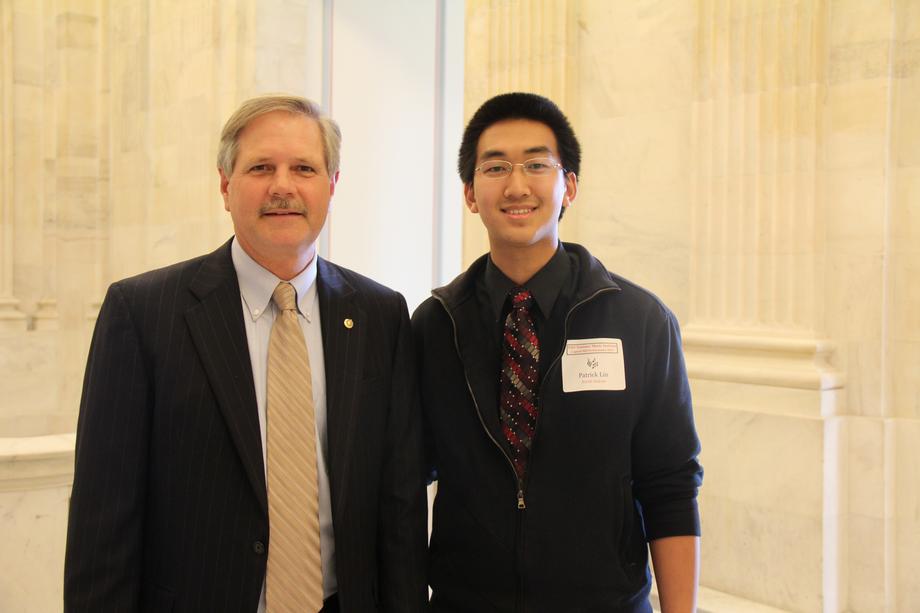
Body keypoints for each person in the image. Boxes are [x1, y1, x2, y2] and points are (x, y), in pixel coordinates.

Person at [65, 94, 428, 613]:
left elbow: (400, 507)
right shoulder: (144, 313)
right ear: (225, 185)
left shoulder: (380, 315)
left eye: (304, 167)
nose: (283, 186)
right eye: (261, 167)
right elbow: (104, 517)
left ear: (332, 185)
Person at [412, 92, 703, 613]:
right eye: (495, 166)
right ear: (470, 193)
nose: (516, 185)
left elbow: (671, 485)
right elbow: (406, 477)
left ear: (568, 185)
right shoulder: (436, 325)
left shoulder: (639, 321)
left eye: (536, 165)